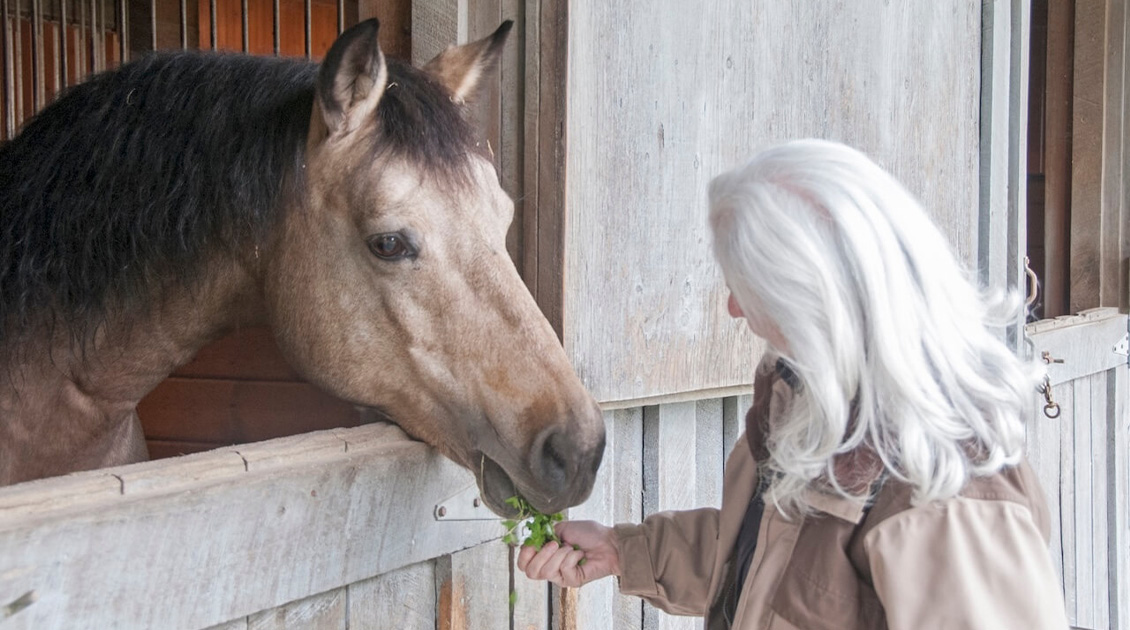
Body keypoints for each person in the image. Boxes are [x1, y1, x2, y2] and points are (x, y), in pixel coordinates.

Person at [517, 139, 1069, 629]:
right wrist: (625, 551)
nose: (733, 306)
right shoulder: (810, 404)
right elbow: (778, 567)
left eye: (745, 284)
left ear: (810, 293)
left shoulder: (946, 491)